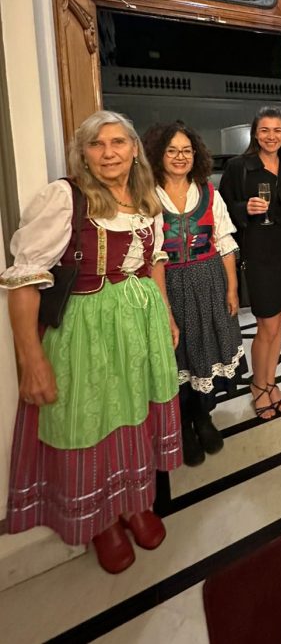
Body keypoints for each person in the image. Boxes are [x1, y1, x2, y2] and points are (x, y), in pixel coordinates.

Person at [0, 111, 181, 574]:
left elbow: (154, 262)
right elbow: (24, 281)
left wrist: (164, 313)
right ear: (82, 154)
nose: (108, 153)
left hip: (140, 325)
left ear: (134, 149)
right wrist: (31, 359)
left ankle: (134, 502)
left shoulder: (147, 197)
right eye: (97, 145)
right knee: (92, 419)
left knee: (135, 413)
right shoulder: (66, 198)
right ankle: (102, 520)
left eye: (118, 142)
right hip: (86, 329)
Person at [143, 122, 246, 466]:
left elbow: (225, 243)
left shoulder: (208, 192)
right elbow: (149, 253)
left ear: (196, 155)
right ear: (158, 155)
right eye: (172, 150)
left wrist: (232, 288)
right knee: (178, 356)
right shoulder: (147, 196)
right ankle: (183, 426)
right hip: (167, 284)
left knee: (205, 349)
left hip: (208, 281)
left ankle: (203, 417)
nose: (180, 157)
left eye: (186, 150)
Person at [219, 108, 281, 421]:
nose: (271, 136)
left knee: (280, 321)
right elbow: (221, 209)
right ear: (255, 133)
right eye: (265, 130)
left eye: (277, 130)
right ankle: (258, 385)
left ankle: (270, 381)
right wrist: (245, 207)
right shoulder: (239, 166)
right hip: (257, 252)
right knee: (266, 324)